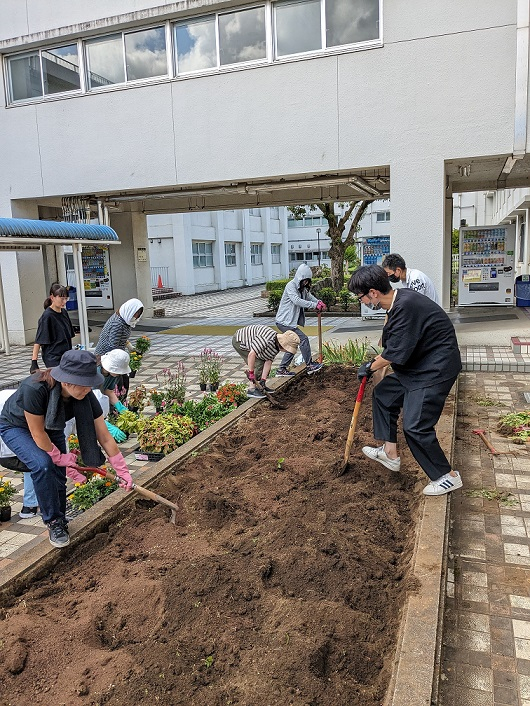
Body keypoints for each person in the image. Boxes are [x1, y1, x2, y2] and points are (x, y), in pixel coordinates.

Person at [348, 265, 462, 497]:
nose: (361, 301)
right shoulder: (397, 303)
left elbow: (392, 354)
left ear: (373, 293)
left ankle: (446, 477)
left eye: (360, 297)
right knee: (383, 395)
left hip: (434, 370)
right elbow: (392, 345)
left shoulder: (405, 306)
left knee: (415, 426)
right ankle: (390, 454)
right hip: (417, 365)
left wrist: (369, 367)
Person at [0, 350, 133, 548]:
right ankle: (53, 522)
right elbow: (37, 434)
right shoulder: (35, 388)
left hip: (50, 426)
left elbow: (104, 437)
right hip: (17, 426)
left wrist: (123, 471)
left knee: (59, 474)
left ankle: (60, 519)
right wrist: (58, 455)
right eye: (84, 385)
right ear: (67, 381)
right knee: (43, 464)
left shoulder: (85, 396)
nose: (88, 390)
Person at [275, 263, 326, 376]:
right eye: (304, 280)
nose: (306, 283)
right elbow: (297, 300)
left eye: (308, 281)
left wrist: (318, 302)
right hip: (284, 321)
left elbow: (309, 297)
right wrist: (314, 305)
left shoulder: (302, 289)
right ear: (299, 278)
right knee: (303, 339)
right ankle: (309, 365)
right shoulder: (291, 286)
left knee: (292, 344)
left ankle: (281, 369)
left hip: (289, 322)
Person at [94, 298, 144, 398]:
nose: (136, 317)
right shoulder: (117, 323)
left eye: (138, 315)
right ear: (129, 311)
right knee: (115, 385)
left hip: (116, 356)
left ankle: (118, 405)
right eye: (135, 314)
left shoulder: (125, 320)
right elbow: (112, 346)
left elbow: (121, 338)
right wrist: (118, 363)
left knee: (119, 383)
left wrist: (130, 347)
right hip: (106, 358)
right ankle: (115, 406)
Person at [232, 326, 300, 398]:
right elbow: (251, 355)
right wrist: (251, 373)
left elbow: (268, 360)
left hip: (252, 343)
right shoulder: (266, 340)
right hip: (240, 340)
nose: (288, 351)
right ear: (283, 345)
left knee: (262, 362)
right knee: (258, 364)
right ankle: (251, 390)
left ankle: (261, 386)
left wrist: (263, 380)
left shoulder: (276, 346)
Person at [30, 283, 75, 373]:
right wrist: (34, 362)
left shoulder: (64, 312)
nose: (64, 302)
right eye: (62, 299)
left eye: (66, 298)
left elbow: (69, 335)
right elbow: (38, 340)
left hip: (66, 355)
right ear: (52, 297)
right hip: (53, 357)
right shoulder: (47, 316)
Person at [98, 349, 131, 443]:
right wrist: (107, 427)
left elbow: (109, 391)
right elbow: (89, 405)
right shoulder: (95, 373)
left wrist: (121, 408)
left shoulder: (112, 375)